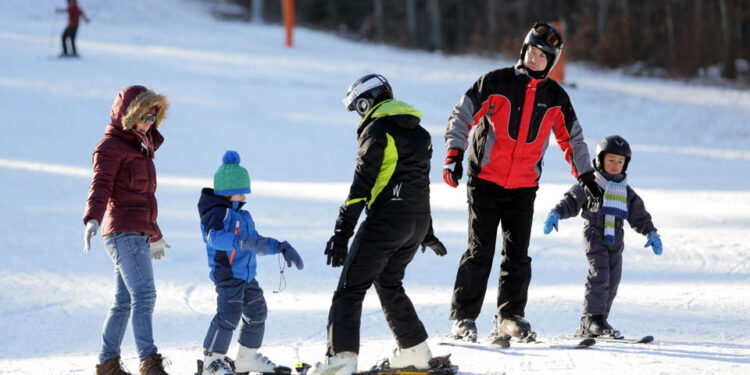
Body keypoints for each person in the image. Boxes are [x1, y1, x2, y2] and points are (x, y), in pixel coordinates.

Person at [443, 22, 604, 344]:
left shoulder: (556, 97)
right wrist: (454, 153)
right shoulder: (495, 82)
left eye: (542, 56)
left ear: (551, 62)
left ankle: (509, 317)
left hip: (523, 186)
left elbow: (572, 139)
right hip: (485, 180)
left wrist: (587, 177)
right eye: (531, 52)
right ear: (523, 51)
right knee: (480, 251)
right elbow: (462, 114)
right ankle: (463, 318)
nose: (535, 59)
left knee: (518, 256)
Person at [309, 74, 448, 375]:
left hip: (386, 221)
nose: (359, 116)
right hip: (415, 223)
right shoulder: (421, 134)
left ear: (366, 101)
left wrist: (341, 233)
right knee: (388, 282)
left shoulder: (376, 130)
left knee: (350, 287)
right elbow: (419, 185)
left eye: (358, 109)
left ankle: (340, 360)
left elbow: (361, 186)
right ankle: (415, 350)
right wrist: (427, 231)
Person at [83, 85, 171, 375]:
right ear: (128, 114)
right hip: (122, 232)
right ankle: (149, 361)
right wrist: (92, 218)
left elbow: (143, 200)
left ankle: (107, 364)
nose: (147, 123)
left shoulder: (141, 148)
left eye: (152, 118)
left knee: (124, 301)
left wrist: (154, 235)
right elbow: (101, 185)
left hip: (136, 232)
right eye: (143, 116)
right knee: (145, 295)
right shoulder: (110, 147)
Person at [543, 135, 662, 338]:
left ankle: (600, 320)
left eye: (620, 161)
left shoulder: (625, 190)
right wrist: (556, 213)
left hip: (616, 236)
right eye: (611, 160)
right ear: (600, 160)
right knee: (600, 274)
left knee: (614, 277)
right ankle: (592, 318)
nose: (615, 165)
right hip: (595, 232)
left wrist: (650, 231)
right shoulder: (592, 184)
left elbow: (638, 214)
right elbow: (572, 200)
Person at [197, 150, 304, 375]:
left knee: (257, 312)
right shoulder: (216, 213)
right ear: (229, 192)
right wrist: (240, 242)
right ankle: (211, 361)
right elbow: (213, 237)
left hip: (247, 276)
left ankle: (246, 358)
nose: (245, 197)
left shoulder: (243, 216)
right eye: (241, 193)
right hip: (227, 275)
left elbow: (255, 241)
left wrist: (279, 246)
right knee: (228, 315)